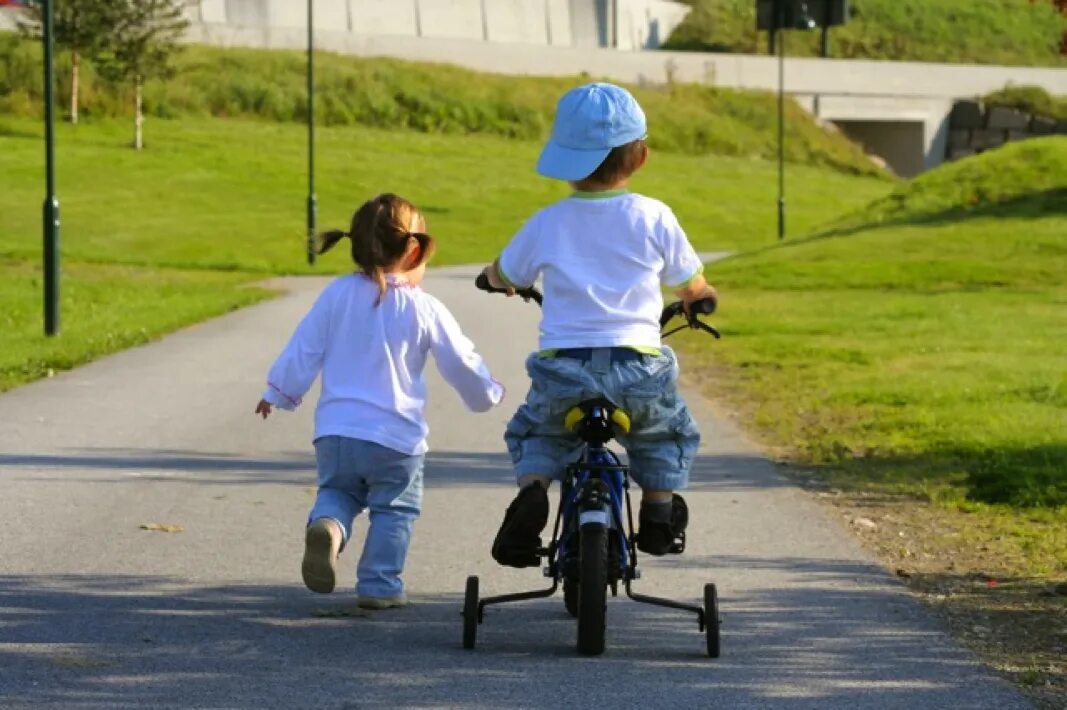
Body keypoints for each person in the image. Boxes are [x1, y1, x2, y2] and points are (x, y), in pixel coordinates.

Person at [480, 82, 717, 568]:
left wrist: (494, 279)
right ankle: (656, 511)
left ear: (565, 159)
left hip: (564, 368)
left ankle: (533, 494)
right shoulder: (654, 216)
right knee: (664, 434)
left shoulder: (547, 222)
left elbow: (506, 273)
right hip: (639, 371)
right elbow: (690, 285)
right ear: (641, 157)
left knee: (538, 434)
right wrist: (700, 300)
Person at [256, 193, 504, 609]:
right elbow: (459, 360)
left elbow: (306, 347)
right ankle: (379, 584)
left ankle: (329, 528)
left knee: (338, 492)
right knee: (395, 510)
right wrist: (486, 393)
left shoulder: (337, 295)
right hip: (395, 439)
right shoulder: (425, 308)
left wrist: (277, 392)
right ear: (412, 251)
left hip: (336, 434)